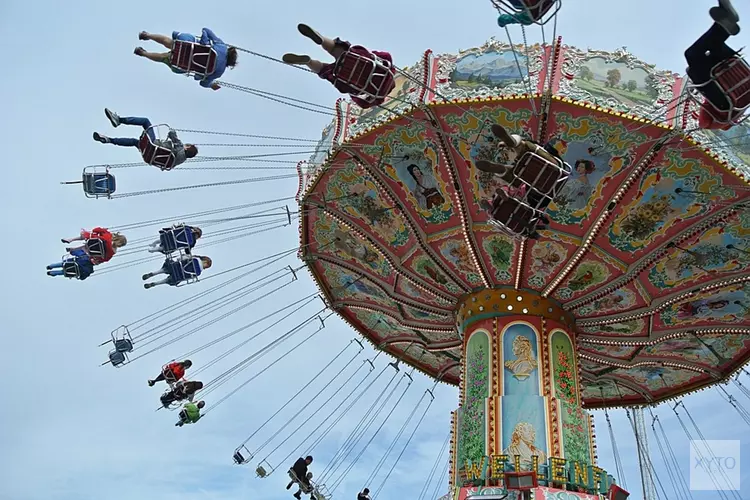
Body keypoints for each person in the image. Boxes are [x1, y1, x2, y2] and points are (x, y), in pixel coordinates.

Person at [282, 24, 395, 109]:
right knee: (323, 70)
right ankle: (309, 62)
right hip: (347, 77)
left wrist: (369, 54)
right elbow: (358, 99)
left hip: (359, 61)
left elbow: (383, 55)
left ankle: (322, 40)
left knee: (335, 48)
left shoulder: (389, 71)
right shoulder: (375, 99)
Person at [685, 1, 742, 125]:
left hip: (732, 74)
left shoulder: (738, 108)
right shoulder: (725, 118)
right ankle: (723, 26)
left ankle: (723, 25)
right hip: (724, 93)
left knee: (715, 46)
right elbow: (704, 122)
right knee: (691, 55)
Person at [135, 28, 238, 90]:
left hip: (185, 46)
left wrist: (205, 42)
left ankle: (147, 35)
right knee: (164, 58)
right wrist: (211, 85)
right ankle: (143, 53)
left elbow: (205, 30)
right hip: (181, 64)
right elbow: (202, 82)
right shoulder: (219, 72)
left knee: (171, 42)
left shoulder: (222, 47)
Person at [92, 108, 198, 167]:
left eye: (187, 145)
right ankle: (108, 140)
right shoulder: (179, 161)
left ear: (187, 148)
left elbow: (173, 137)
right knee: (135, 142)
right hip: (150, 157)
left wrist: (172, 132)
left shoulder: (180, 148)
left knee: (146, 122)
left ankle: (119, 120)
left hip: (154, 146)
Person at [62, 227, 127, 265]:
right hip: (92, 252)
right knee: (87, 248)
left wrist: (103, 230)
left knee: (86, 236)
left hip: (91, 241)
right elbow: (105, 259)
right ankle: (72, 249)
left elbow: (96, 229)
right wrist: (97, 260)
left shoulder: (108, 236)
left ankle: (71, 240)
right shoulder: (113, 252)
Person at [142, 255, 213, 289]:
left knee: (166, 267)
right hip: (178, 276)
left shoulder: (195, 259)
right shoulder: (198, 273)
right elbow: (187, 278)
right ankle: (154, 284)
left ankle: (154, 273)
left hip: (175, 267)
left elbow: (181, 258)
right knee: (168, 281)